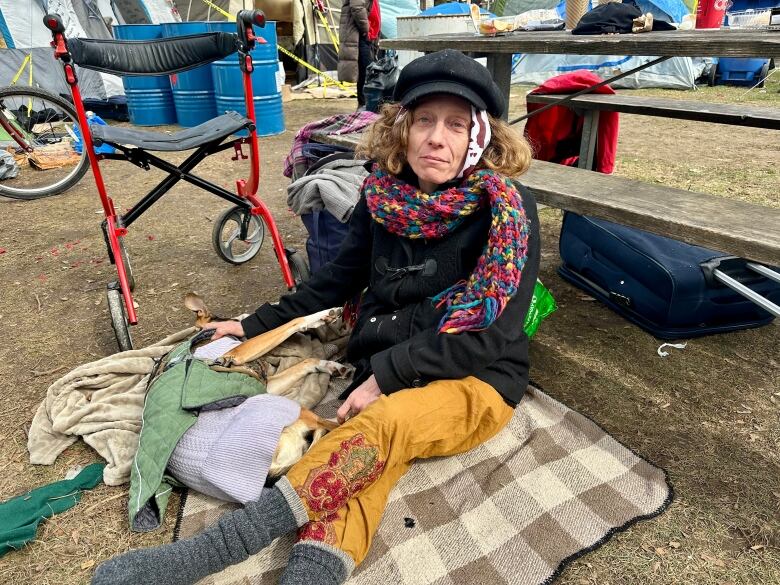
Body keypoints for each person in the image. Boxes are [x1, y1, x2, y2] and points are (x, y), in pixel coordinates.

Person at [91, 49, 540, 585]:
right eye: (424, 120)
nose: (436, 138)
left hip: (476, 379)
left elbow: (491, 335)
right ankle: (313, 574)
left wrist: (386, 378)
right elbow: (334, 281)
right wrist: (251, 324)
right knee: (362, 454)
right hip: (384, 364)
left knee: (382, 424)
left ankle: (209, 552)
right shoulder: (382, 196)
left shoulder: (507, 212)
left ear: (480, 137)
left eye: (455, 124)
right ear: (404, 130)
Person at [337, 0, 381, 108]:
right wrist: (366, 29)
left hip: (367, 36)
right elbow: (357, 7)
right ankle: (364, 105)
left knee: (365, 71)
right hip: (361, 35)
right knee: (367, 72)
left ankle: (365, 104)